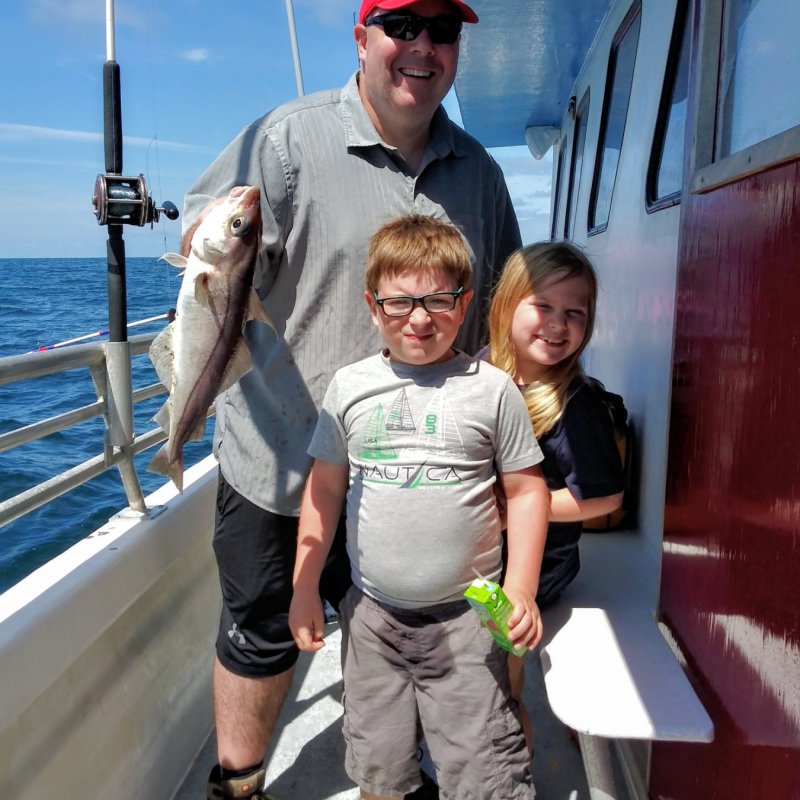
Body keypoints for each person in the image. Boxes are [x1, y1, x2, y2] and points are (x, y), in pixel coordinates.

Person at [185, 2, 522, 798]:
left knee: (421, 631)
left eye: (443, 30)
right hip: (281, 458)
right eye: (403, 24)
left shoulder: (480, 173)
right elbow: (210, 261)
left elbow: (505, 307)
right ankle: (238, 783)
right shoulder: (284, 140)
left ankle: (414, 772)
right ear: (363, 38)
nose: (423, 46)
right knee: (260, 636)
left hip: (421, 477)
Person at [289, 215, 549, 800]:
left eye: (438, 299)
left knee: (483, 773)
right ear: (371, 304)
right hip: (372, 619)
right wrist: (305, 589)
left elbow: (527, 491)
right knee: (379, 770)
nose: (420, 318)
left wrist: (523, 589)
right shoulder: (349, 387)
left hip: (468, 620)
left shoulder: (492, 389)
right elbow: (325, 489)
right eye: (400, 303)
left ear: (465, 303)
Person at [486, 240, 625, 753]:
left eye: (575, 313)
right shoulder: (478, 376)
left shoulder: (574, 403)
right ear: (505, 306)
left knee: (497, 683)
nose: (557, 323)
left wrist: (517, 512)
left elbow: (604, 498)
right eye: (543, 306)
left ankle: (508, 767)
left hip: (538, 569)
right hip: (476, 559)